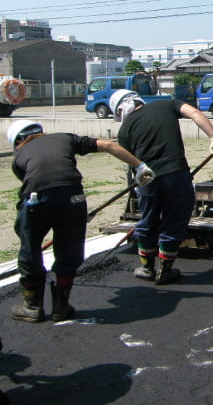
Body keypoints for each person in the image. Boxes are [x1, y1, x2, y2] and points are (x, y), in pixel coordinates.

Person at [7, 119, 155, 323]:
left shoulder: (18, 157)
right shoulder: (65, 138)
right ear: (42, 132)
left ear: (18, 141)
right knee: (69, 250)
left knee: (29, 249)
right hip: (74, 198)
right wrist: (140, 166)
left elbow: (35, 185)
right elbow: (109, 145)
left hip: (36, 200)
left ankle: (32, 306)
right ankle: (61, 307)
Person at [110, 89, 213, 285]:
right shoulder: (167, 104)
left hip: (147, 180)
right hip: (176, 175)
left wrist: (138, 182)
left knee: (147, 221)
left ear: (121, 109)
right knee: (174, 222)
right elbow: (195, 114)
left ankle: (146, 268)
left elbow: (131, 163)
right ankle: (165, 270)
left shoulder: (124, 130)